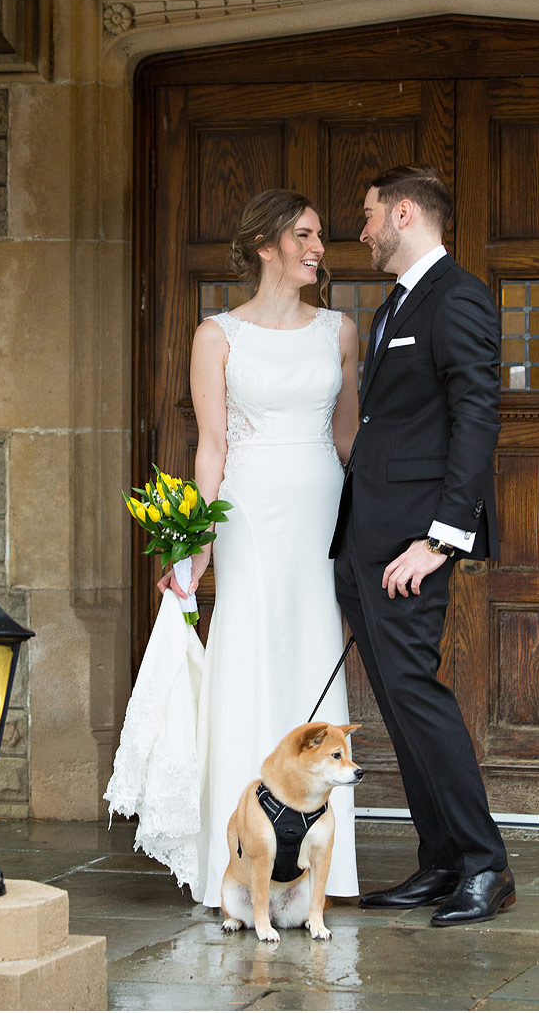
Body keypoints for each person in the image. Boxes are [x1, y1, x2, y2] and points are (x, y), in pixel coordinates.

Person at [159, 189, 361, 908]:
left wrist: (374, 518)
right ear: (265, 244)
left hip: (319, 506)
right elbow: (210, 445)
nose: (318, 249)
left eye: (320, 237)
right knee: (245, 650)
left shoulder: (339, 330)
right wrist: (197, 544)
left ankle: (314, 867)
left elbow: (346, 438)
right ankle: (239, 858)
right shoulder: (217, 335)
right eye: (303, 236)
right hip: (247, 509)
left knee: (312, 645)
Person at [330, 165, 515, 926]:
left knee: (418, 698)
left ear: (404, 213)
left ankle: (484, 865)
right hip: (364, 539)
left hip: (413, 542)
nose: (364, 231)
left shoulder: (459, 296)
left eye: (370, 216)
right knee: (399, 706)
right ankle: (438, 860)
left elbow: (477, 417)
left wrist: (441, 538)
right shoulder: (392, 305)